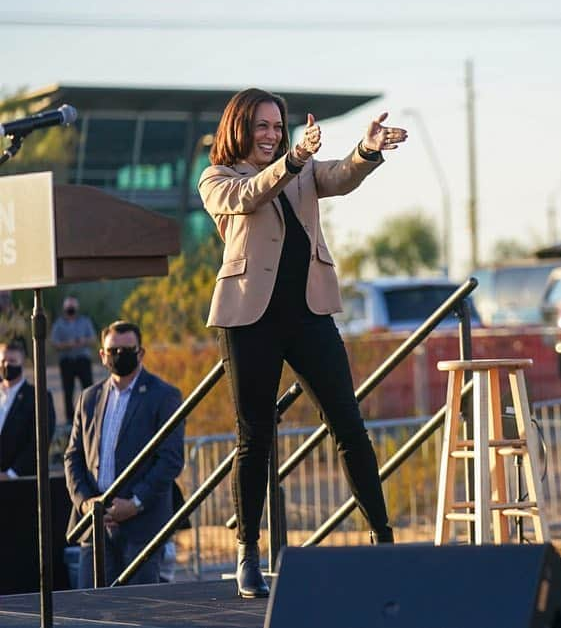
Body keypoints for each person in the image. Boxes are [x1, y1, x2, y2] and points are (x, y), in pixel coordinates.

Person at [199, 88, 406, 598]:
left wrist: (368, 149)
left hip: (308, 313)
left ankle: (384, 541)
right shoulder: (219, 178)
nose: (271, 135)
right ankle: (248, 554)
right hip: (249, 318)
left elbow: (337, 175)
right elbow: (247, 198)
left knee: (349, 427)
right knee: (255, 438)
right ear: (239, 128)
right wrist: (292, 161)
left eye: (277, 126)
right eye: (261, 127)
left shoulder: (303, 171)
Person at [64, 321, 184, 588]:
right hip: (94, 527)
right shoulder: (89, 398)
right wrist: (86, 504)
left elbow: (171, 459)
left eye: (127, 349)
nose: (119, 355)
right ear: (102, 355)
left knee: (138, 610)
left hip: (142, 527)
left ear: (140, 353)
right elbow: (73, 456)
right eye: (113, 350)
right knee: (90, 611)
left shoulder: (164, 396)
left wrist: (135, 503)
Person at [1, 338, 56, 479]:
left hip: (19, 481)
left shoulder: (37, 396)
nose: (6, 365)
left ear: (23, 362)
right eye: (2, 361)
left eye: (12, 361)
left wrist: (11, 474)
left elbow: (39, 442)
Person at [50, 296, 97, 426]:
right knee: (68, 389)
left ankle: (92, 413)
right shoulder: (59, 324)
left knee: (88, 388)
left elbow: (93, 339)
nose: (71, 309)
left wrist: (83, 341)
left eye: (73, 306)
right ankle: (70, 419)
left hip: (83, 359)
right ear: (64, 308)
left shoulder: (85, 321)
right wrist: (68, 344)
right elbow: (54, 343)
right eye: (68, 307)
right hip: (67, 360)